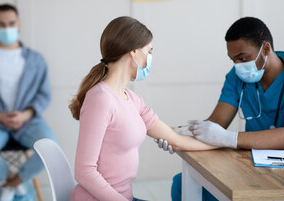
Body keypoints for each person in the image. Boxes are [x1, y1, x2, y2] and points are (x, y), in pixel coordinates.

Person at [158, 17, 284, 201]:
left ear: (265, 49)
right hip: (252, 163)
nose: (238, 66)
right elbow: (216, 124)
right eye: (233, 59)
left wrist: (230, 138)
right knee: (182, 184)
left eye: (242, 58)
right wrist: (176, 137)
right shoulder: (237, 78)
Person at [68, 16, 216, 201]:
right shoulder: (100, 100)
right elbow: (84, 171)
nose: (150, 58)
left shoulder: (132, 99)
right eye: (149, 51)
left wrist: (227, 143)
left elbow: (175, 139)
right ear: (134, 52)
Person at [0, 4, 57, 201]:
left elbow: (44, 94)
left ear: (19, 23)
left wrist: (25, 115)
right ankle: (15, 183)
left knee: (50, 148)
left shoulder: (36, 60)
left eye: (11, 23)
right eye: (1, 24)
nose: (7, 28)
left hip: (28, 121)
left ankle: (14, 185)